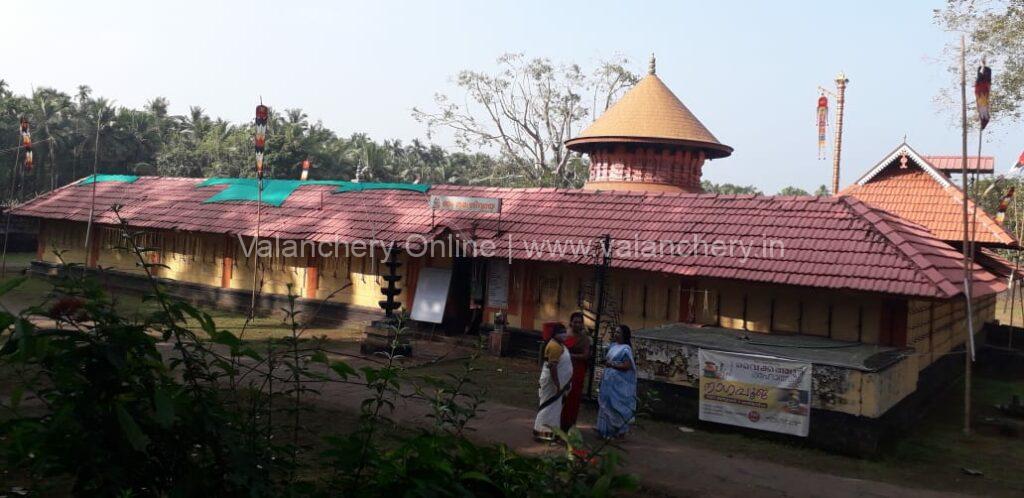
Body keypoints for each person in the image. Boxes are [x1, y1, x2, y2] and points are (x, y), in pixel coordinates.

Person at [597, 324, 637, 439]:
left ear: (624, 335)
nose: (616, 334)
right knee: (606, 405)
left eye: (619, 332)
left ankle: (618, 433)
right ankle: (604, 430)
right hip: (608, 382)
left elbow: (627, 366)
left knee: (617, 407)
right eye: (615, 332)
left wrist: (612, 365)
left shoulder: (626, 349)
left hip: (619, 385)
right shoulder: (613, 346)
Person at [534, 323, 573, 441]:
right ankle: (542, 433)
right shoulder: (555, 347)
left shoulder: (559, 345)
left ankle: (550, 433)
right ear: (555, 334)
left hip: (556, 383)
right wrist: (558, 384)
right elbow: (553, 368)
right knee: (548, 406)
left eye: (564, 331)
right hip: (553, 383)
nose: (564, 334)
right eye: (561, 332)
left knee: (554, 408)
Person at [560, 311, 591, 431]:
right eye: (575, 322)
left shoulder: (585, 339)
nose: (577, 324)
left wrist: (570, 355)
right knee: (562, 395)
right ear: (571, 323)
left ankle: (569, 424)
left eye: (580, 322)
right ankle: (558, 422)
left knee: (573, 397)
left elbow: (585, 355)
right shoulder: (565, 335)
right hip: (564, 368)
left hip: (578, 370)